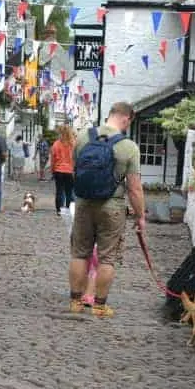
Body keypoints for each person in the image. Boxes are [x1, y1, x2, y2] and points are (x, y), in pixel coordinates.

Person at [67, 102, 145, 318]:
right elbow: (135, 188)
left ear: (110, 114)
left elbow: (76, 171)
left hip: (83, 202)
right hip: (112, 206)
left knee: (79, 252)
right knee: (107, 258)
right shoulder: (129, 147)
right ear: (127, 119)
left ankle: (75, 302)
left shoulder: (83, 137)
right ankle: (99, 306)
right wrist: (140, 216)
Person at [50, 124, 76, 215]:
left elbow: (53, 159)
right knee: (70, 192)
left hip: (58, 170)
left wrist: (52, 170)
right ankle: (69, 209)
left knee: (59, 191)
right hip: (70, 171)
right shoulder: (73, 144)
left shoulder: (56, 144)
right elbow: (77, 158)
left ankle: (59, 210)